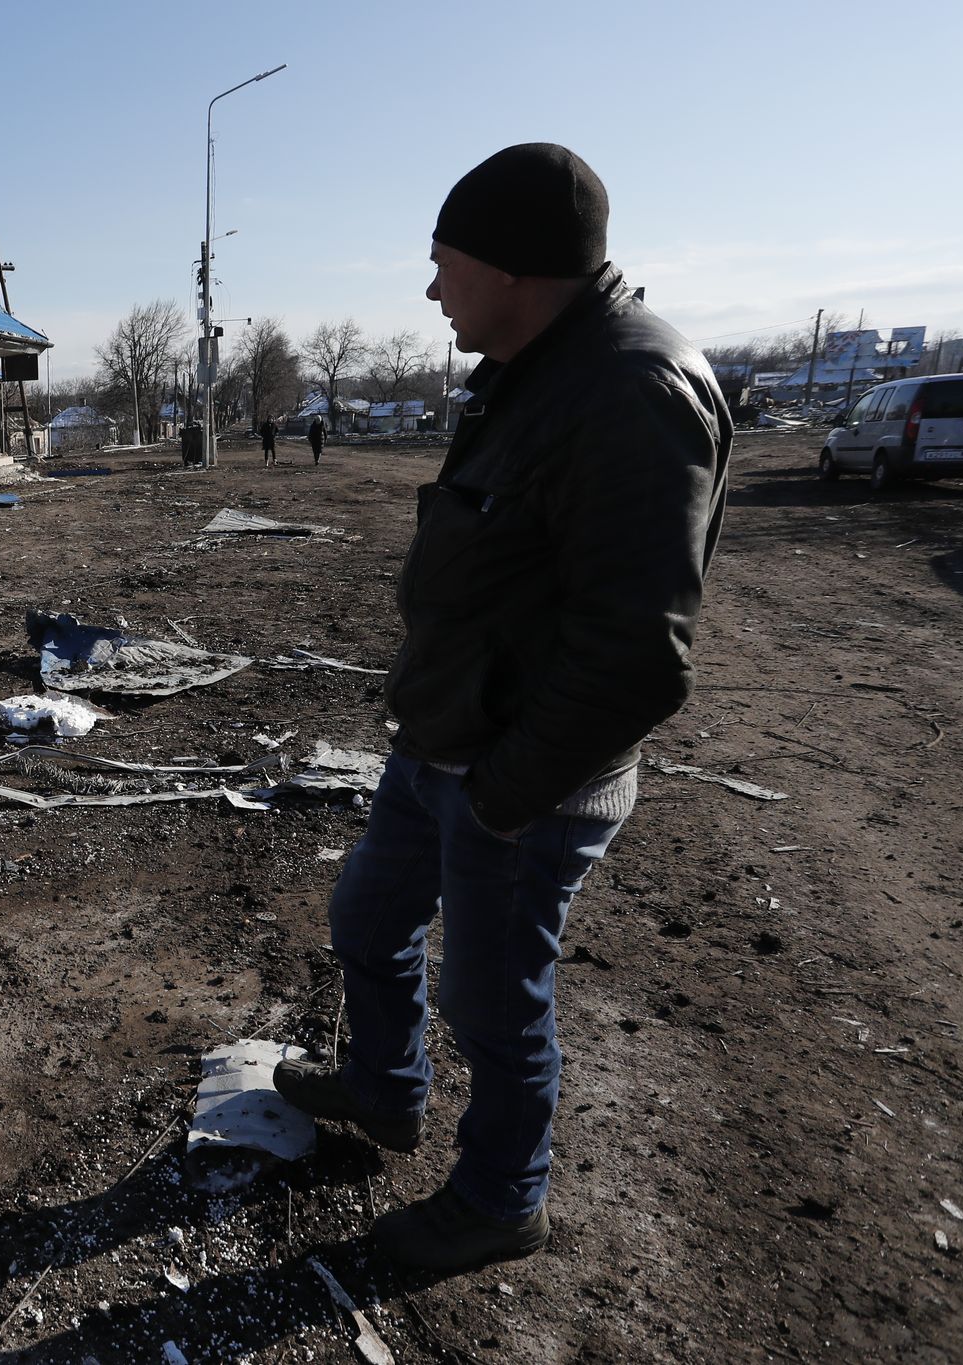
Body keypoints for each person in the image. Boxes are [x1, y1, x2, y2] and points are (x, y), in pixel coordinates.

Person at [273, 143, 731, 1273]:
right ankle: (383, 1094)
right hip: (439, 745)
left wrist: (502, 798)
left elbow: (636, 654)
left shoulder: (628, 391)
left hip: (518, 782)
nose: (431, 291)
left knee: (494, 1008)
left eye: (444, 265)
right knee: (367, 925)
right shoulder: (533, 369)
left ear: (514, 271)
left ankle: (496, 1202)